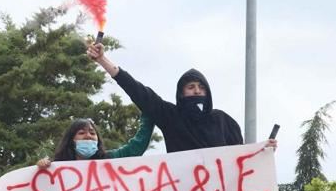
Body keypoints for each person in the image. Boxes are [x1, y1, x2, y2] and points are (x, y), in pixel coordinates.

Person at [86, 40, 268, 152]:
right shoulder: (171, 117)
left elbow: (242, 160)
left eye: (201, 88)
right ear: (181, 94)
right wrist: (103, 60)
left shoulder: (223, 121)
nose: (197, 91)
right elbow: (136, 90)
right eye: (191, 87)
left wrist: (263, 153)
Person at [37, 112, 155, 168]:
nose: (88, 136)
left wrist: (148, 115)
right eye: (82, 133)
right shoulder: (58, 167)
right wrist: (42, 168)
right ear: (71, 140)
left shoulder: (110, 159)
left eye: (92, 133)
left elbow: (136, 148)